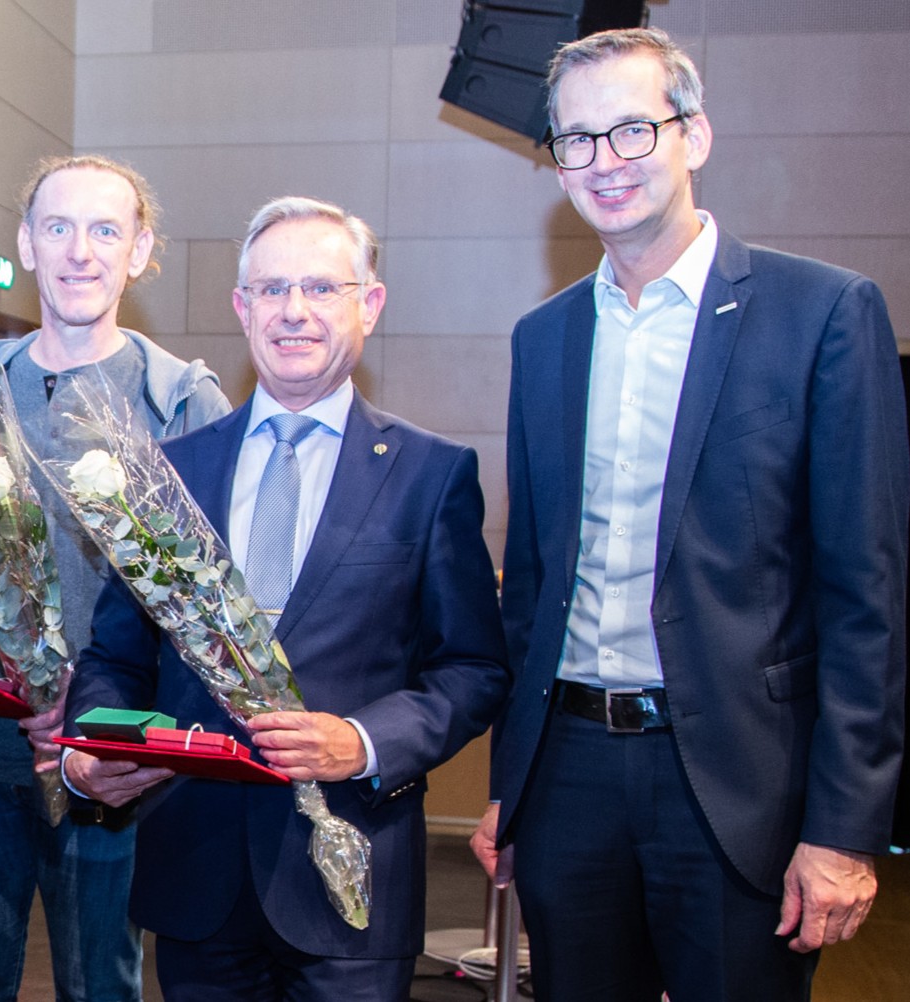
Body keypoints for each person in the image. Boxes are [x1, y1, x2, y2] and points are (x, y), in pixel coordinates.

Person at [474, 27, 907, 1001]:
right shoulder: (543, 339)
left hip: (734, 783)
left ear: (695, 136)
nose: (604, 162)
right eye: (576, 139)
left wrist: (844, 830)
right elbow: (535, 582)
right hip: (569, 777)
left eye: (633, 130)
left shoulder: (822, 314)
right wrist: (512, 783)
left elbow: (866, 598)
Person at [67, 196, 509, 1001]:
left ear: (367, 305)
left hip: (351, 881)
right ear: (241, 308)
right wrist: (83, 755)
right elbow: (113, 657)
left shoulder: (428, 474)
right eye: (270, 290)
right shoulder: (168, 473)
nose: (293, 312)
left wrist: (362, 740)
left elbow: (472, 668)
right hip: (195, 875)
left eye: (321, 288)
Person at [0, 154, 228, 1002]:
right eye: (59, 227)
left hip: (112, 766)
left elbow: (207, 600)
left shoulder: (182, 401)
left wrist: (111, 716)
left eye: (105, 230)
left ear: (140, 249)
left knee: (100, 989)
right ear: (27, 244)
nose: (81, 251)